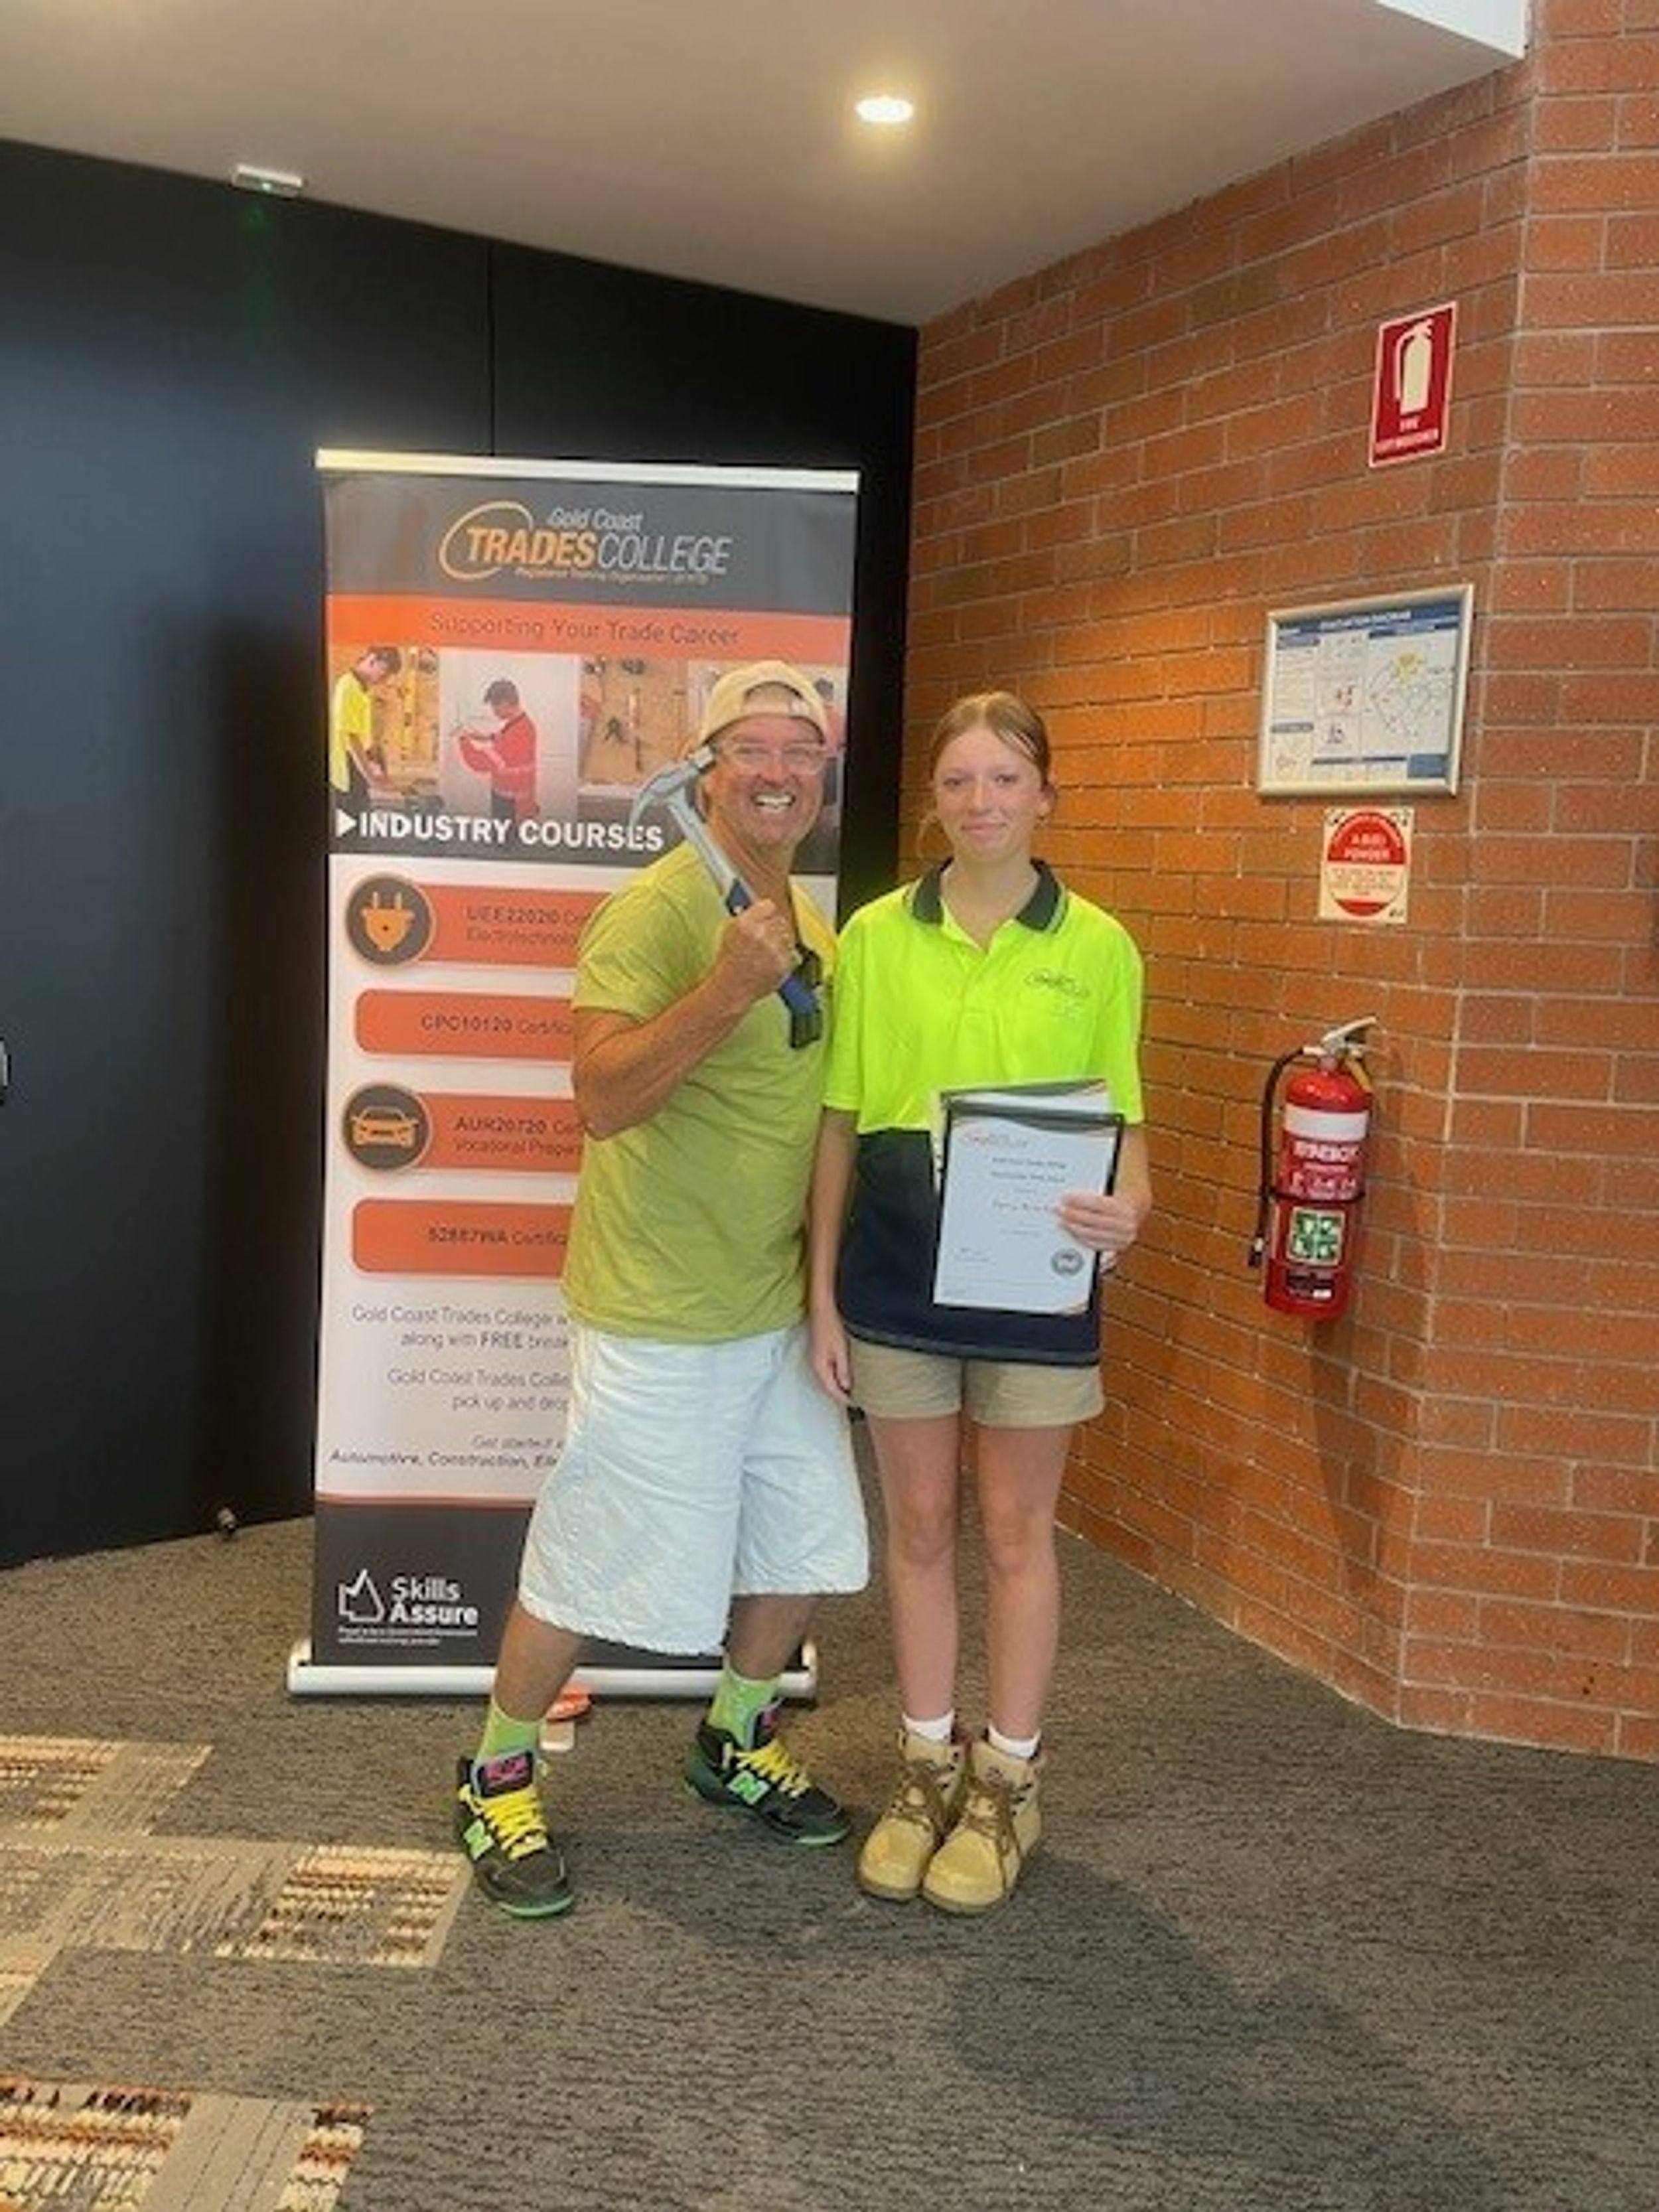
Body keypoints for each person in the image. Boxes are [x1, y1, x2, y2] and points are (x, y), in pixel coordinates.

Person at [454, 660, 868, 1917]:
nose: (780, 773)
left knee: (802, 1538)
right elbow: (602, 1096)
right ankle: (495, 1773)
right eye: (754, 749)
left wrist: (823, 1290)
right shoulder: (654, 913)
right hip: (657, 1312)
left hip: (774, 1306)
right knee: (590, 1558)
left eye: (802, 751)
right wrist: (726, 987)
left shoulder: (811, 921)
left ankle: (733, 1737)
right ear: (707, 771)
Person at [808, 689, 1152, 1915]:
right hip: (897, 1273)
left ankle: (1007, 1779)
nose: (981, 802)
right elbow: (840, 1124)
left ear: (1045, 795)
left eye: (1005, 779)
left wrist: (1131, 1209)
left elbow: (1126, 1128)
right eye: (958, 780)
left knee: (1015, 1531)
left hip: (1031, 1285)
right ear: (933, 802)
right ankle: (924, 1766)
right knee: (916, 1526)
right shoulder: (875, 936)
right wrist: (821, 1296)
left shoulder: (1099, 946)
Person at [457, 677, 540, 821]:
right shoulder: (523, 724)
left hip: (511, 803)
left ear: (505, 704)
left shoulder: (516, 733)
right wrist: (486, 737)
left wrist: (463, 740)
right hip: (518, 795)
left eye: (495, 707)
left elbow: (479, 763)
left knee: (504, 835)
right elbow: (508, 743)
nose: (494, 712)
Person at [328, 646, 401, 804]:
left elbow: (362, 735)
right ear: (372, 660)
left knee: (362, 808)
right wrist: (371, 779)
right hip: (346, 766)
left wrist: (378, 769)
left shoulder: (360, 687)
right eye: (384, 674)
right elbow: (352, 739)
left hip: (355, 762)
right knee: (354, 811)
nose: (385, 680)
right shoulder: (348, 687)